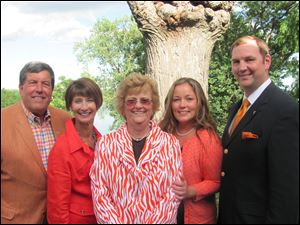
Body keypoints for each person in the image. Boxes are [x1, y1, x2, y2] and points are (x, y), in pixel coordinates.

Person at [218, 36, 299, 224]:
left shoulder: (284, 110)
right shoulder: (238, 107)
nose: (241, 67)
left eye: (249, 59)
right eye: (236, 62)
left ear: (267, 61)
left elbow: (286, 193)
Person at [89, 73, 182, 224]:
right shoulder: (106, 144)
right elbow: (100, 193)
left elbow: (171, 195)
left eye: (145, 101)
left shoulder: (170, 144)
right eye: (131, 101)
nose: (138, 105)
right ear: (123, 106)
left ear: (153, 106)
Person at [1, 61, 70, 224]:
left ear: (51, 91)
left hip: (59, 218)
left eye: (45, 84)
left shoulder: (66, 120)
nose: (39, 89)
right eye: (33, 82)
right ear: (21, 88)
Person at [159, 77, 223, 224]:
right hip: (161, 216)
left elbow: (215, 181)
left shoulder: (208, 138)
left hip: (195, 217)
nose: (182, 105)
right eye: (176, 100)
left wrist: (190, 191)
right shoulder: (161, 132)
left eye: (189, 99)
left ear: (199, 102)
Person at [47, 78, 103, 224]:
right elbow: (57, 206)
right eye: (78, 101)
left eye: (89, 100)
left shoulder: (104, 142)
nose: (84, 107)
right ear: (70, 106)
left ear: (97, 104)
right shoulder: (62, 149)